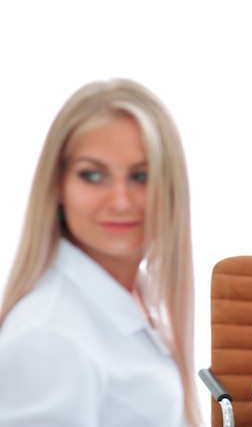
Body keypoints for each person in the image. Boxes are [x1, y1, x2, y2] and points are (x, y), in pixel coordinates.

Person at [0, 79, 202, 426]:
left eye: (141, 176)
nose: (120, 202)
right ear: (58, 185)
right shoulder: (47, 337)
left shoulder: (137, 294)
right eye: (92, 175)